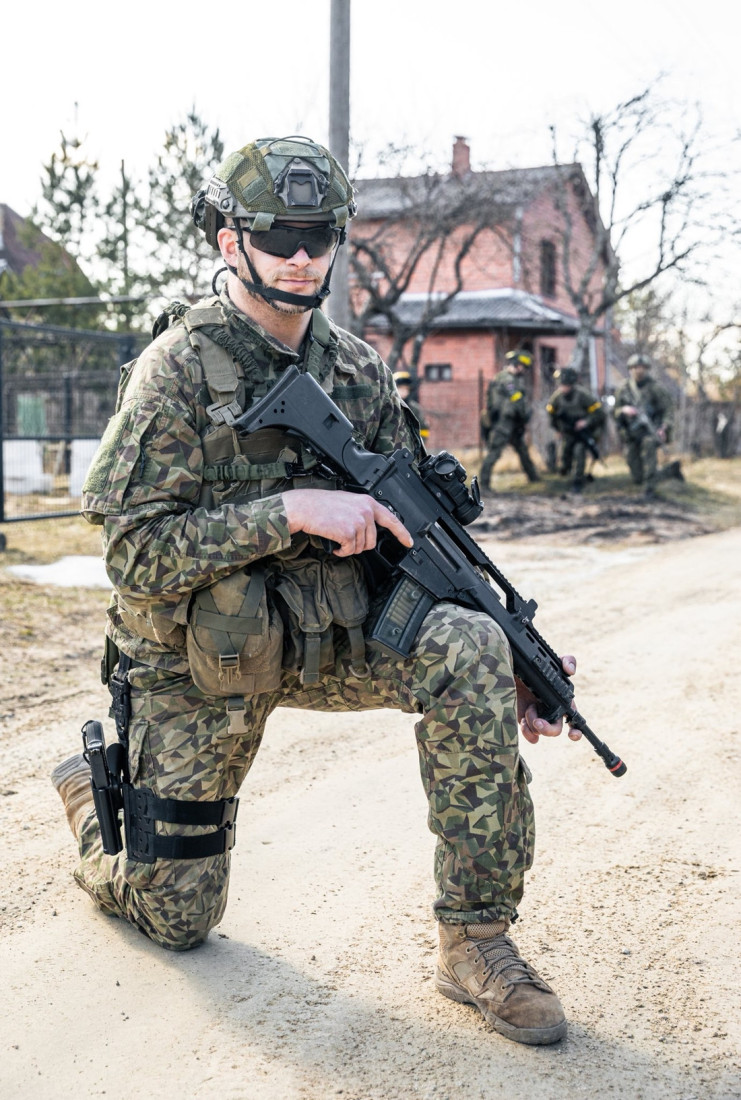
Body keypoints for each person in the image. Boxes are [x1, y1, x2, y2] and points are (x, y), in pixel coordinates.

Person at [51, 135, 580, 1047]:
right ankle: (93, 813)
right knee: (177, 918)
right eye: (278, 236)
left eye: (319, 236)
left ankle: (476, 941)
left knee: (471, 647)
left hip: (328, 634)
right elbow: (133, 555)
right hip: (198, 656)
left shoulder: (360, 372)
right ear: (231, 242)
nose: (301, 256)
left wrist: (509, 662)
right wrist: (289, 511)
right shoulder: (178, 369)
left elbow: (420, 543)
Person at [614, 353, 681, 498]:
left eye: (642, 367)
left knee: (649, 447)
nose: (639, 370)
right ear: (630, 369)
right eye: (636, 367)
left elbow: (668, 409)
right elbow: (614, 410)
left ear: (647, 369)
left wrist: (664, 427)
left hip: (651, 431)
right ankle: (671, 471)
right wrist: (624, 410)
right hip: (632, 433)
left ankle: (650, 488)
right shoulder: (624, 388)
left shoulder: (656, 388)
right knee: (637, 476)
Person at [479, 350, 540, 488]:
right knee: (495, 452)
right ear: (518, 365)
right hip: (504, 423)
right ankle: (484, 484)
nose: (524, 371)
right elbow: (516, 402)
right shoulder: (508, 380)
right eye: (524, 367)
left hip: (513, 423)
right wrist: (525, 414)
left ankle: (534, 479)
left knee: (522, 450)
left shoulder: (505, 377)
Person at [546, 366, 606, 493]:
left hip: (582, 433)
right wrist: (558, 429)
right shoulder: (556, 398)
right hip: (568, 433)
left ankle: (578, 481)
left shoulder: (583, 395)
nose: (563, 388)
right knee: (565, 455)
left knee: (579, 452)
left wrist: (586, 422)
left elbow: (599, 413)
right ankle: (564, 475)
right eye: (561, 385)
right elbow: (551, 414)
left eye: (566, 385)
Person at [392, 369, 430, 443]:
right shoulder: (386, 407)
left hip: (409, 446)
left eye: (406, 389)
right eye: (400, 388)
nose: (403, 391)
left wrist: (418, 444)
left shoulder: (414, 409)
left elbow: (423, 429)